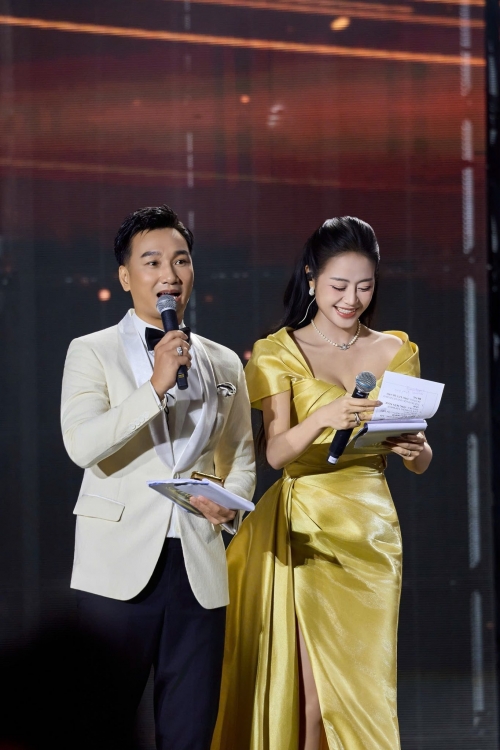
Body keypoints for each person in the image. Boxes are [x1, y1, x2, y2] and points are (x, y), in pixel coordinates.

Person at [211, 216, 433, 750]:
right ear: (311, 278)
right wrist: (323, 418)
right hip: (306, 527)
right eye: (339, 285)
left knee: (364, 690)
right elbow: (275, 453)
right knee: (313, 699)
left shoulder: (396, 350)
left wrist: (419, 451)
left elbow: (418, 459)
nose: (351, 299)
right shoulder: (278, 350)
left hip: (372, 532)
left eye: (364, 286)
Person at [61, 204, 255, 750]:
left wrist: (230, 504)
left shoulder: (224, 362)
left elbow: (241, 456)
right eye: (152, 262)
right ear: (126, 277)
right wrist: (154, 386)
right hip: (116, 567)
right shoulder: (91, 351)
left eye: (181, 260)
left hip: (198, 568)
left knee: (190, 733)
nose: (169, 274)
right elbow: (83, 446)